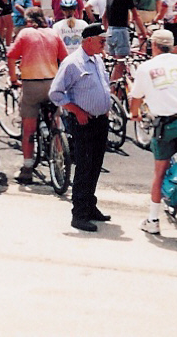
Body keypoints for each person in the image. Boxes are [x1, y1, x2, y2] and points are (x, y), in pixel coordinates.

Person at [129, 30, 177, 235]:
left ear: (154, 45)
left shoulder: (145, 68)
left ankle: (153, 219)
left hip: (167, 125)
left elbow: (136, 99)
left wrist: (135, 114)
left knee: (159, 172)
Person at [49, 23, 113, 232]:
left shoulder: (97, 60)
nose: (104, 44)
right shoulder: (72, 63)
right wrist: (76, 110)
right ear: (88, 41)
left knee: (95, 166)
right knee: (84, 167)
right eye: (101, 40)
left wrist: (105, 107)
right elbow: (56, 93)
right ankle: (79, 214)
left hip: (100, 121)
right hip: (83, 123)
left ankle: (90, 206)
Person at [7, 8, 68, 183]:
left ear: (28, 21)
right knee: (56, 119)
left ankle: (27, 169)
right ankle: (59, 150)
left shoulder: (25, 33)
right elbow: (64, 58)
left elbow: (11, 56)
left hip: (31, 85)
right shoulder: (53, 33)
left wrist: (13, 79)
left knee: (28, 130)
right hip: (52, 83)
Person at [103, 0, 149, 82]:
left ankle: (115, 89)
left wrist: (106, 31)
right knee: (121, 64)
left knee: (114, 64)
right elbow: (136, 16)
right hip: (120, 32)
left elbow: (104, 17)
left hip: (110, 32)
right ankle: (113, 91)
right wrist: (144, 33)